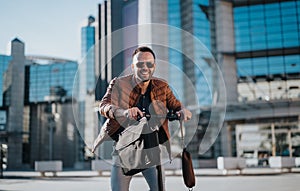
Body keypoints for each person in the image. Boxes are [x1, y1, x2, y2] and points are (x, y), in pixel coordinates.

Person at [93, 46, 192, 191]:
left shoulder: (162, 86)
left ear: (154, 66)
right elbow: (104, 106)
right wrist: (125, 112)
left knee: (158, 189)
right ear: (133, 66)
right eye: (140, 64)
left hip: (151, 150)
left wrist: (183, 111)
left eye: (149, 64)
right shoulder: (118, 84)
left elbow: (177, 105)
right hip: (124, 151)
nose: (144, 67)